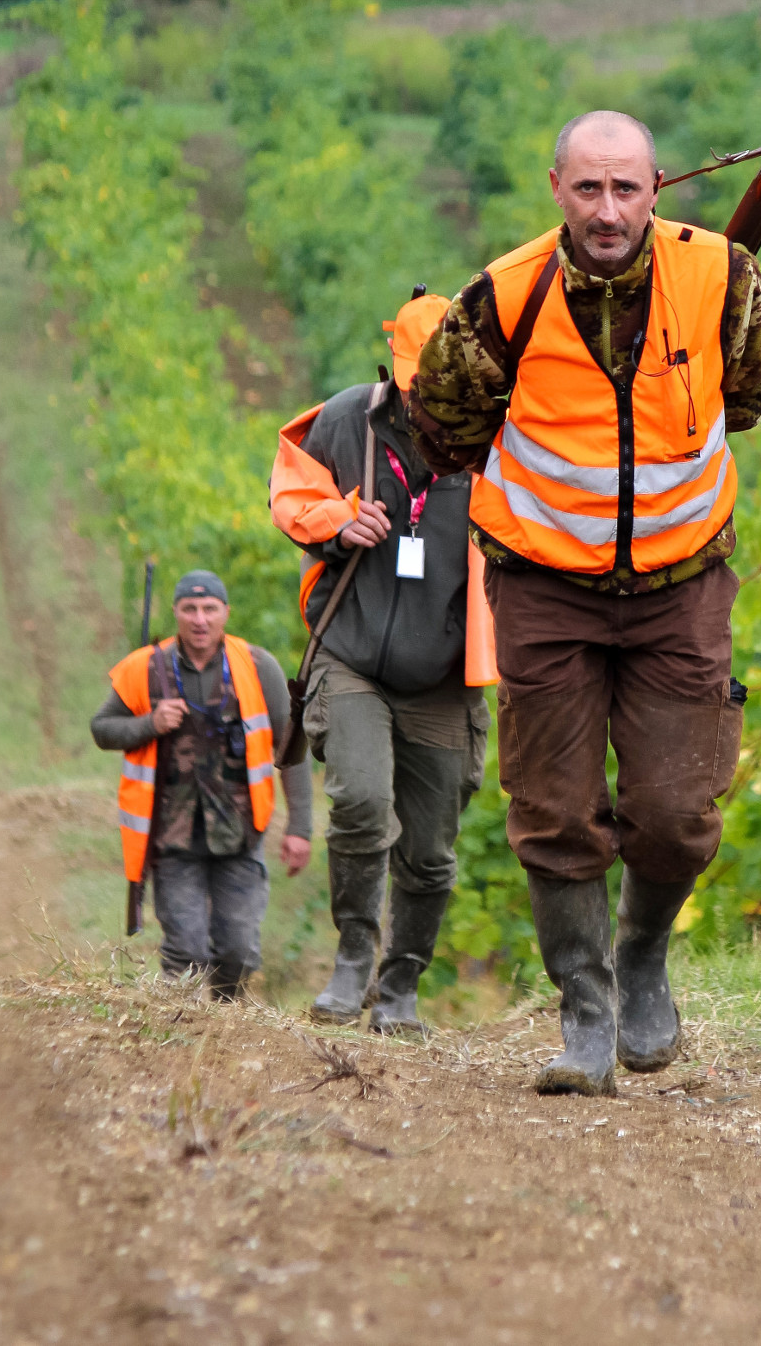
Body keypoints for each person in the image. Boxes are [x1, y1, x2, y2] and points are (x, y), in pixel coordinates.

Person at [406, 110, 761, 1094]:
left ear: (658, 186)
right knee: (552, 807)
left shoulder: (724, 276)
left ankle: (642, 960)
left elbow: (741, 398)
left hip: (680, 585)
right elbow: (442, 421)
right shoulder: (499, 297)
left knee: (674, 810)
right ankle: (583, 1008)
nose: (606, 210)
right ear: (554, 190)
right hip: (541, 591)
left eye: (624, 189)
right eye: (586, 189)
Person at [269, 292, 496, 1034]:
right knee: (362, 803)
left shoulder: (501, 438)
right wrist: (340, 522)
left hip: (445, 676)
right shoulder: (346, 420)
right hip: (352, 655)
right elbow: (290, 485)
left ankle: (400, 988)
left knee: (430, 856)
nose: (420, 393)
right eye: (410, 376)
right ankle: (352, 959)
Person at [90, 571, 313, 998]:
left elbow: (292, 748)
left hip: (241, 834)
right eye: (189, 609)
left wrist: (300, 827)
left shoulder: (258, 666)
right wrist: (149, 723)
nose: (199, 619)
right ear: (175, 613)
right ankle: (181, 1038)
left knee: (239, 952)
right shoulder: (145, 666)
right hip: (172, 838)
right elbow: (102, 729)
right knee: (185, 954)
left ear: (225, 613)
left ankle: (226, 1027)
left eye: (209, 608)